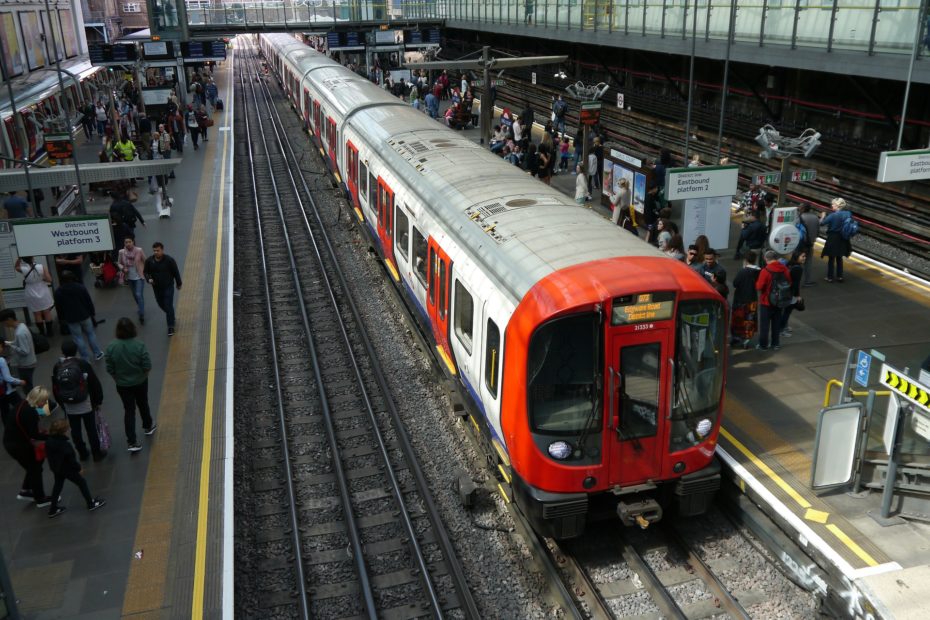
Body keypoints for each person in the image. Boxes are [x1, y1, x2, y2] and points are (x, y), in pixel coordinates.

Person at [52, 341, 106, 462]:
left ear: (63, 352)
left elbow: (55, 387)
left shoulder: (57, 367)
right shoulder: (83, 364)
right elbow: (94, 383)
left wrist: (62, 403)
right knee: (91, 428)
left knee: (75, 430)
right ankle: (96, 453)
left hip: (69, 405)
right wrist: (98, 400)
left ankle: (82, 452)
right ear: (76, 351)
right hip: (85, 402)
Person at [105, 318, 153, 453]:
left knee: (129, 410)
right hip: (140, 381)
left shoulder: (111, 347)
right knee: (143, 403)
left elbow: (110, 368)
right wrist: (143, 376)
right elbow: (147, 365)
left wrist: (117, 379)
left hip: (122, 384)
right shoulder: (139, 345)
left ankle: (132, 441)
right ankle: (148, 426)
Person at [45, 419, 107, 518]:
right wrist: (78, 468)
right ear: (64, 431)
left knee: (57, 486)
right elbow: (71, 459)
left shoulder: (49, 441)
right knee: (81, 482)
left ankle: (53, 509)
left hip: (56, 468)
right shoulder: (65, 444)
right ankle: (91, 503)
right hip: (67, 469)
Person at [3, 386, 52, 508]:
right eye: (44, 400)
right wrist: (52, 436)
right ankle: (41, 499)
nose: (45, 403)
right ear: (37, 399)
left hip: (11, 443)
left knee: (33, 467)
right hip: (19, 446)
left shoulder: (22, 404)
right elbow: (34, 434)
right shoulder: (30, 412)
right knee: (35, 468)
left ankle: (26, 491)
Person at [53, 271, 105, 361]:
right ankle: (97, 353)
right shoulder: (80, 287)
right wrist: (92, 313)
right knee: (91, 334)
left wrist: (62, 319)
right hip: (84, 315)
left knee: (78, 338)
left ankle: (85, 358)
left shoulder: (59, 291)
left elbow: (59, 308)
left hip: (71, 318)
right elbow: (88, 301)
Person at [755, 250, 791, 351]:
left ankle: (763, 345)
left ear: (766, 259)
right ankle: (775, 343)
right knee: (776, 323)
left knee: (765, 325)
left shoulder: (765, 271)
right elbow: (789, 282)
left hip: (766, 301)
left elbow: (759, 287)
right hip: (780, 301)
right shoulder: (785, 269)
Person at [144, 242, 182, 336]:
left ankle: (170, 326)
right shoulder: (149, 261)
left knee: (168, 304)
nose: (156, 252)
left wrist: (179, 283)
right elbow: (146, 272)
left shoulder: (169, 260)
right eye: (154, 251)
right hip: (156, 287)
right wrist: (149, 279)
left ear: (162, 250)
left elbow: (175, 272)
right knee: (160, 303)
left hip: (168, 286)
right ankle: (171, 314)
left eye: (158, 250)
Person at [15, 256, 55, 337]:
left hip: (30, 291)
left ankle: (42, 333)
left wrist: (19, 258)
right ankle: (50, 332)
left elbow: (16, 267)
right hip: (43, 290)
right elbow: (49, 280)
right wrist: (41, 279)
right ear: (32, 258)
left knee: (37, 314)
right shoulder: (41, 266)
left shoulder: (23, 269)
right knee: (46, 312)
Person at [730, 250, 761, 349]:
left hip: (740, 300)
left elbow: (735, 283)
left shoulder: (743, 271)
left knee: (738, 319)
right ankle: (747, 339)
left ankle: (737, 337)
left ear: (745, 260)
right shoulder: (759, 271)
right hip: (752, 299)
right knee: (749, 320)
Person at [0, 309, 38, 388]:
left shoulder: (19, 333)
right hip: (30, 362)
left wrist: (11, 346)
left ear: (9, 319)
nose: (4, 324)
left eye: (4, 322)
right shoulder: (22, 326)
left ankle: (38, 399)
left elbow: (25, 351)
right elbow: (20, 343)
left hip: (26, 364)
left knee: (28, 388)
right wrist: (9, 343)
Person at [820, 197, 852, 283]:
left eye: (833, 204)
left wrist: (822, 217)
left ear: (837, 206)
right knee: (839, 257)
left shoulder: (833, 215)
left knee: (831, 258)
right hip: (843, 238)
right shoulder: (848, 214)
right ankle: (840, 276)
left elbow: (822, 223)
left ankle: (830, 277)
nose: (832, 205)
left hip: (833, 238)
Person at [118, 237, 147, 324]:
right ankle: (140, 306)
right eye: (126, 242)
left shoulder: (139, 250)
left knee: (138, 294)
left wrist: (147, 272)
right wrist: (123, 268)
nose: (128, 244)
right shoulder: (121, 252)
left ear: (133, 242)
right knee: (135, 295)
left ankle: (141, 313)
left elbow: (145, 261)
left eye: (129, 242)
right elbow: (118, 262)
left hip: (139, 276)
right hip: (129, 278)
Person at [779, 249, 807, 338]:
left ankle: (784, 326)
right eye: (802, 256)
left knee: (785, 311)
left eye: (805, 256)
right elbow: (796, 283)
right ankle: (781, 329)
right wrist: (797, 295)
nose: (804, 258)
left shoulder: (789, 264)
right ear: (797, 257)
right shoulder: (798, 269)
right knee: (787, 312)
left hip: (785, 291)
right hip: (790, 293)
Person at [0, 340, 27, 423]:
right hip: (7, 390)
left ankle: (9, 430)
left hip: (1, 392)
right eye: (0, 346)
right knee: (22, 407)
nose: (2, 348)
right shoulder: (1, 360)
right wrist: (20, 382)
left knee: (4, 412)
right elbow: (7, 378)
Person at [798, 204, 819, 286]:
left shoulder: (799, 217)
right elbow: (817, 232)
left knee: (797, 261)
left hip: (800, 244)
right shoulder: (815, 217)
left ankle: (796, 280)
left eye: (800, 207)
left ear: (803, 208)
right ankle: (807, 281)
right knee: (808, 262)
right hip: (810, 244)